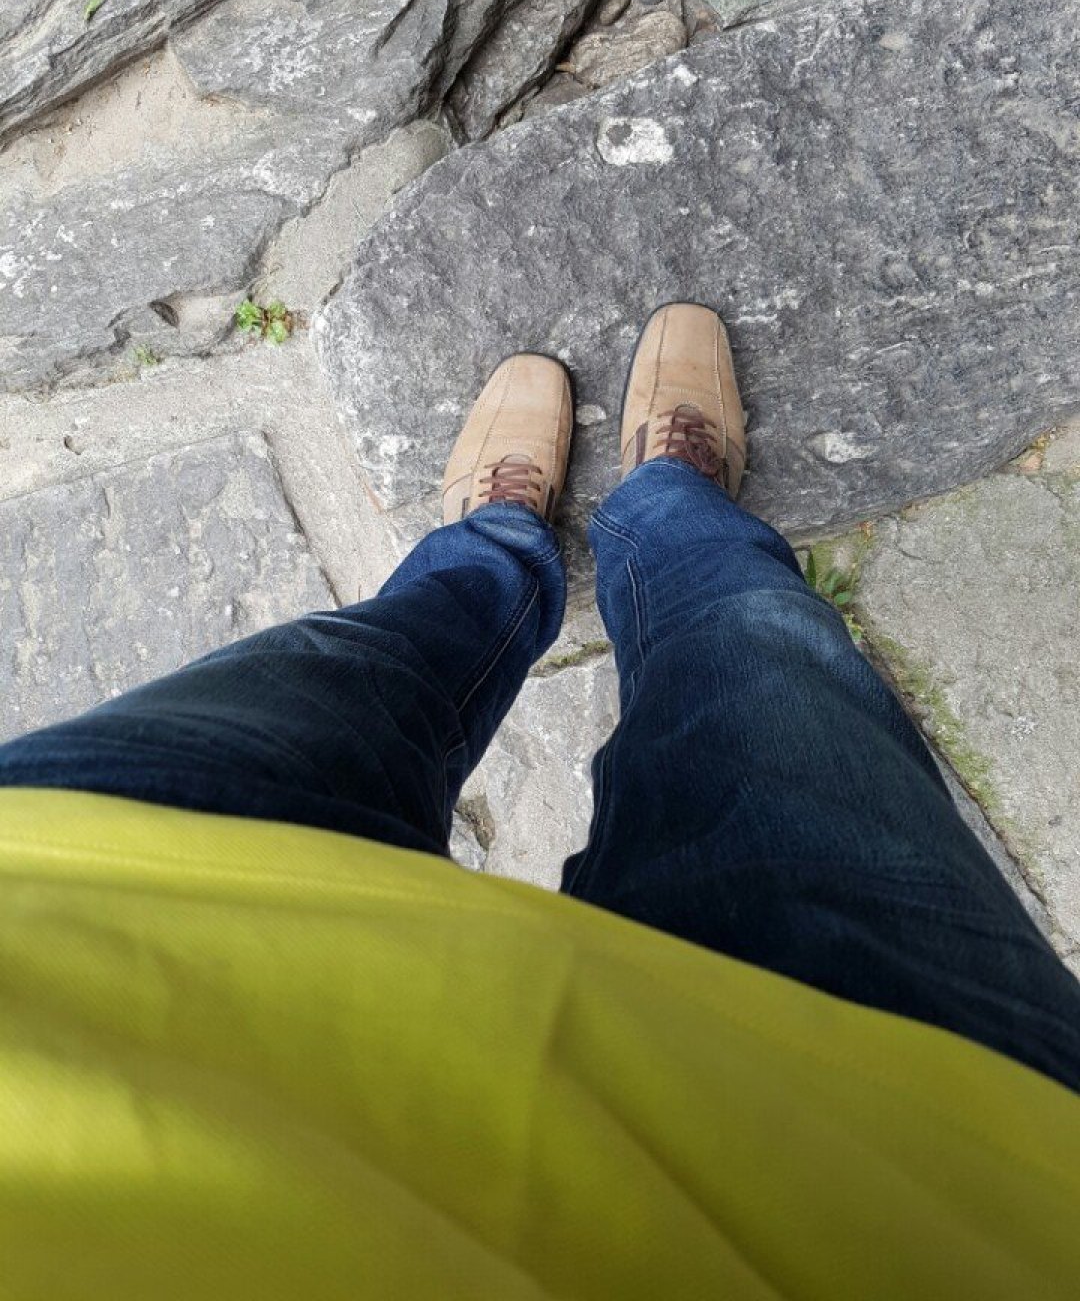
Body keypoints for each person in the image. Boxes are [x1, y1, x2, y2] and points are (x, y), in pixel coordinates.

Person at [1, 303, 1078, 1298]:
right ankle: (671, 503)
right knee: (760, 656)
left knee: (369, 665)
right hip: (909, 1151)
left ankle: (499, 544)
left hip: (84, 916)